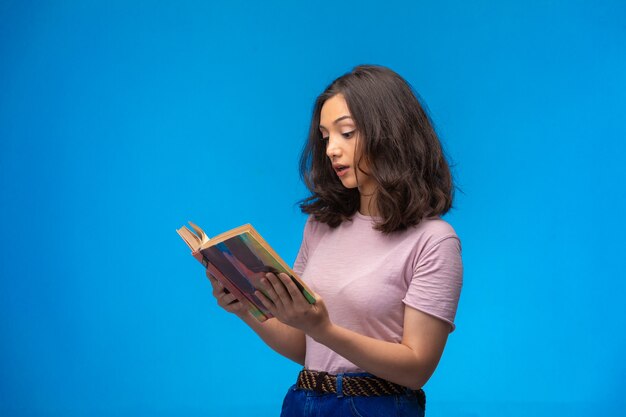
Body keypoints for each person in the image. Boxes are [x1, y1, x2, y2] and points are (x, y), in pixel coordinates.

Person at [206, 64, 463, 416]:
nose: (330, 150)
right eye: (326, 137)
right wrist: (246, 310)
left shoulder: (434, 241)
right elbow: (305, 344)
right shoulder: (319, 226)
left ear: (390, 134)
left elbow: (417, 368)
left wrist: (323, 328)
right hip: (303, 401)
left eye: (346, 133)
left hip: (376, 407)